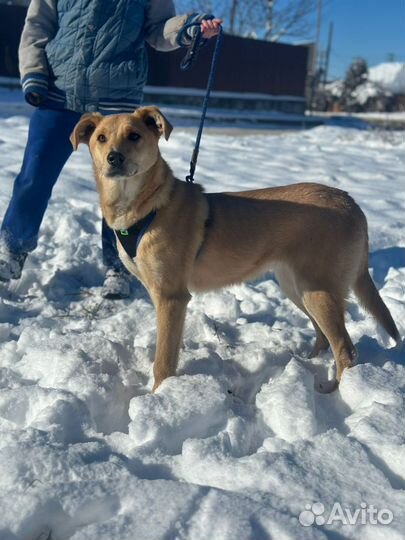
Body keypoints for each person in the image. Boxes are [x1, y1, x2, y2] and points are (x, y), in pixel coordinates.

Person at [0, 0, 221, 298]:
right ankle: (12, 251)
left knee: (124, 187)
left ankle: (118, 265)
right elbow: (37, 26)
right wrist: (34, 72)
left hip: (116, 99)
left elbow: (158, 29)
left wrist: (188, 28)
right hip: (58, 93)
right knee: (33, 176)